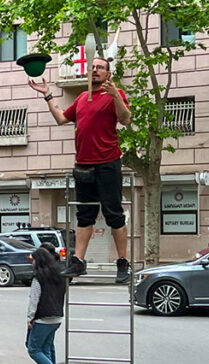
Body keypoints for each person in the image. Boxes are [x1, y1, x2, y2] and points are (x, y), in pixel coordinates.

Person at [29, 56, 132, 283]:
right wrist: (47, 95)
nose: (95, 70)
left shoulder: (115, 95)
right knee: (84, 217)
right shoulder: (82, 98)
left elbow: (125, 119)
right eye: (92, 67)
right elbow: (61, 119)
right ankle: (78, 262)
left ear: (108, 74)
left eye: (100, 68)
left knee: (114, 214)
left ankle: (123, 263)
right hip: (83, 164)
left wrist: (115, 95)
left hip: (108, 163)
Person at [25, 247, 67, 364]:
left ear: (39, 261)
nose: (32, 262)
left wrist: (30, 318)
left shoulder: (38, 279)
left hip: (42, 318)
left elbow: (34, 300)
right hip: (56, 318)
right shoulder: (60, 276)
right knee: (46, 348)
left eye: (33, 259)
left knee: (33, 349)